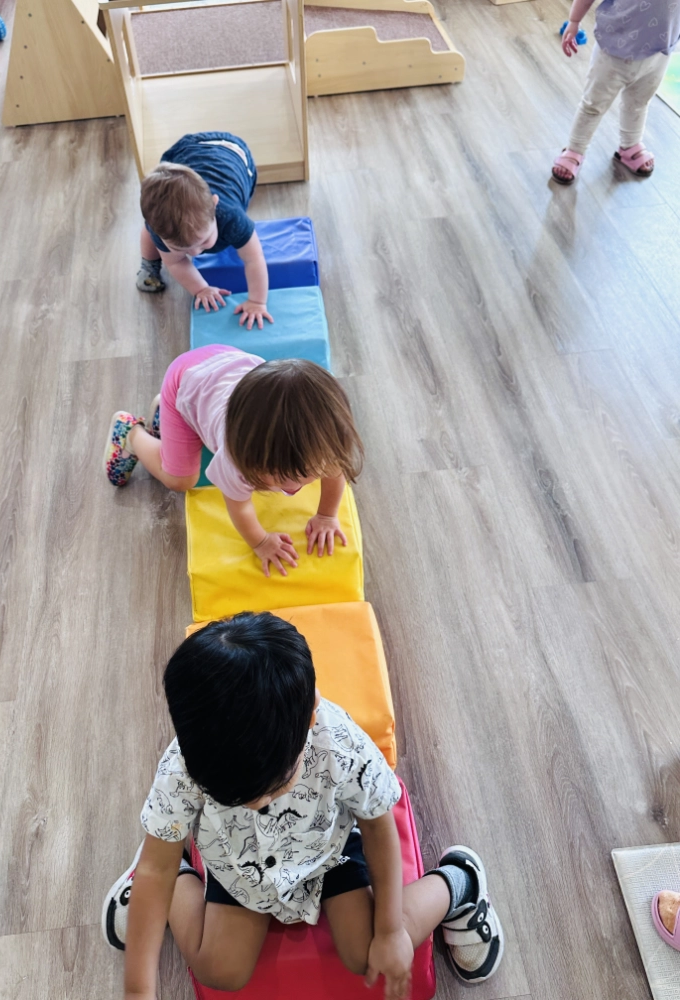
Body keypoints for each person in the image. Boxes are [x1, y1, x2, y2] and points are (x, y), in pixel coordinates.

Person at [101, 613, 505, 997]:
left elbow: (379, 824)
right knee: (219, 969)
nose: (259, 803)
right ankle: (182, 873)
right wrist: (138, 989)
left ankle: (459, 882)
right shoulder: (188, 761)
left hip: (328, 851)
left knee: (369, 950)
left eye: (273, 788)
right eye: (237, 798)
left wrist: (389, 932)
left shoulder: (341, 744)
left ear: (311, 713)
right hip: (237, 865)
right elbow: (156, 868)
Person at [104, 347, 363, 577]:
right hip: (185, 381)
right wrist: (260, 542)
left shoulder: (326, 444)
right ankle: (132, 432)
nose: (291, 485)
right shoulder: (235, 459)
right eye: (275, 474)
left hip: (226, 367)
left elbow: (335, 473)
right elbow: (239, 507)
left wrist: (327, 516)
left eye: (305, 473)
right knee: (180, 479)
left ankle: (167, 412)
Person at [137, 131, 272, 331]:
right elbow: (175, 262)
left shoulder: (231, 217)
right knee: (150, 234)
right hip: (183, 157)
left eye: (203, 241)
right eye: (182, 247)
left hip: (233, 154)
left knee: (241, 232)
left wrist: (257, 302)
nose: (195, 253)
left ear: (214, 206)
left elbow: (254, 259)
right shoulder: (160, 228)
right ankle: (149, 266)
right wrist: (201, 288)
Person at [552, 0, 680, 184]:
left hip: (659, 49)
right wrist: (574, 21)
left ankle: (630, 144)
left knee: (639, 102)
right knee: (594, 104)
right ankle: (575, 149)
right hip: (614, 49)